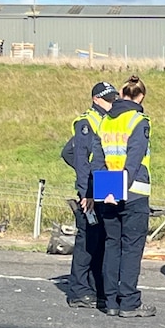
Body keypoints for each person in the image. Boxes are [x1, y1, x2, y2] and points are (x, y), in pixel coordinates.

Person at [91, 75, 156, 318]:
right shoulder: (139, 121)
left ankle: (110, 301)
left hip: (107, 190)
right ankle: (128, 301)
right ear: (141, 97)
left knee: (112, 246)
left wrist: (105, 191)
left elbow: (98, 160)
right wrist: (119, 191)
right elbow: (134, 160)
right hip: (133, 193)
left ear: (120, 94)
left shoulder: (105, 121)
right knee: (131, 248)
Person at [64, 81, 118, 308]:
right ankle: (78, 291)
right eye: (108, 99)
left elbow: (67, 151)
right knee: (87, 240)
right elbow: (75, 156)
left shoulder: (109, 120)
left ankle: (98, 288)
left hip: (106, 183)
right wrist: (85, 189)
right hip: (93, 187)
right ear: (96, 99)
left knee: (102, 239)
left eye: (114, 98)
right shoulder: (87, 122)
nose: (112, 103)